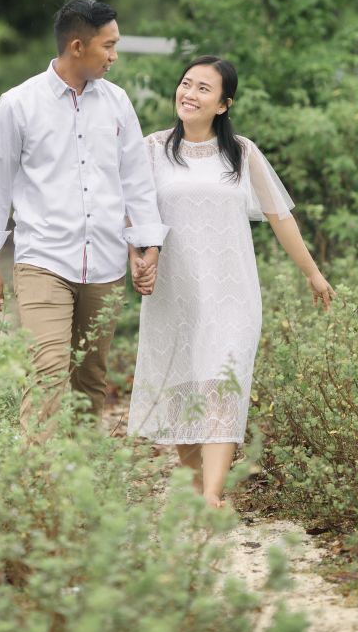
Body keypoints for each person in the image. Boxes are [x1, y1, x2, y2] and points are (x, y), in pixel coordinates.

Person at [127, 56, 334, 506]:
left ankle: (213, 494)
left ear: (223, 104)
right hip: (174, 291)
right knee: (183, 379)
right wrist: (136, 255)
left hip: (232, 291)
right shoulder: (152, 149)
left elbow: (280, 217)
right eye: (186, 84)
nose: (190, 94)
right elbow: (134, 213)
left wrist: (313, 273)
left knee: (223, 379)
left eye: (204, 88)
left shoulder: (242, 153)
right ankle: (194, 482)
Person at [0, 0, 168, 433]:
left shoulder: (117, 103)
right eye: (108, 46)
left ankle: (80, 470)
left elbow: (136, 180)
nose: (114, 56)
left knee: (90, 380)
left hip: (106, 264)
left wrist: (147, 244)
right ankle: (35, 473)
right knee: (48, 373)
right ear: (77, 46)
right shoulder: (19, 103)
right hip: (43, 260)